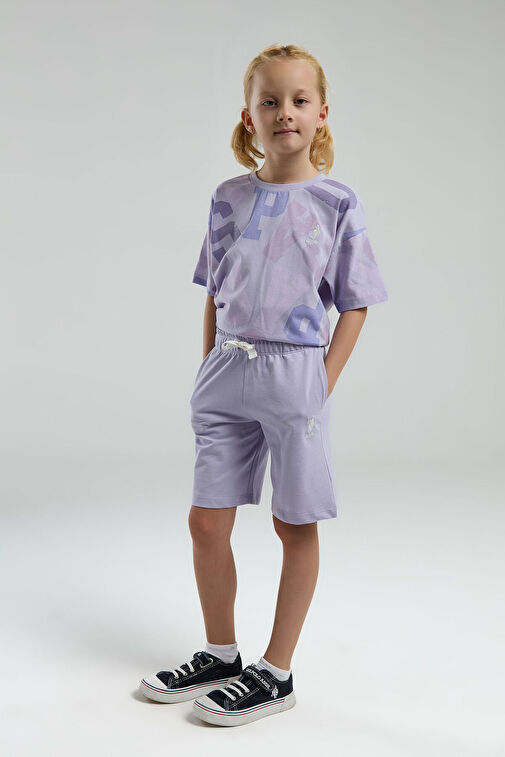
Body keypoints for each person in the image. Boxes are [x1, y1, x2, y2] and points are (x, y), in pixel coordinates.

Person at [140, 43, 389, 727]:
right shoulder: (228, 198)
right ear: (248, 116)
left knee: (293, 521)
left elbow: (355, 303)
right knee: (205, 521)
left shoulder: (336, 202)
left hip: (294, 376)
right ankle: (221, 653)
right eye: (269, 101)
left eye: (299, 100)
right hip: (227, 372)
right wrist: (207, 368)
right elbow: (214, 290)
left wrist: (320, 383)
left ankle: (275, 672)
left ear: (322, 113)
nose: (285, 112)